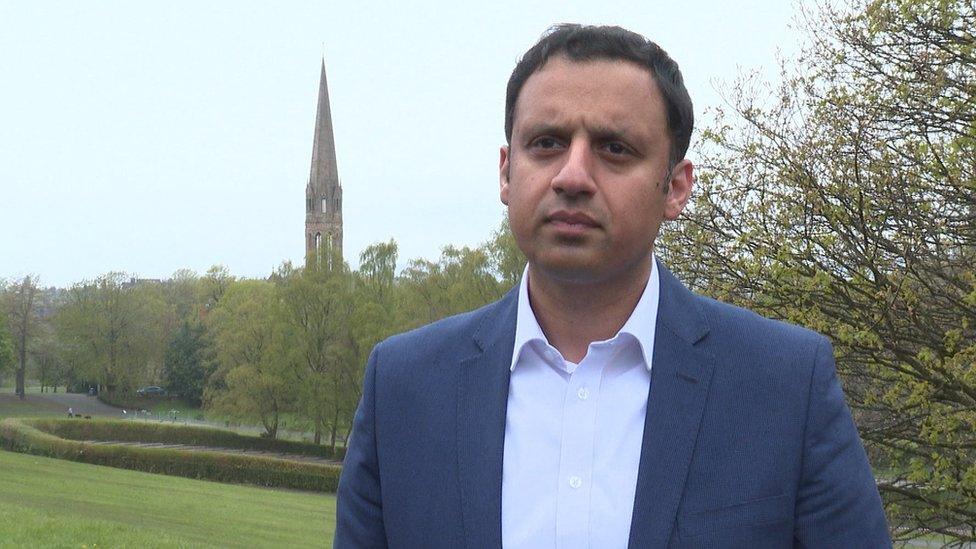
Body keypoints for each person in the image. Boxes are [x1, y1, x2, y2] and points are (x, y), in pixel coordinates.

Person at [335, 24, 890, 548]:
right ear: (506, 172)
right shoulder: (404, 389)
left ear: (675, 187)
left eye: (614, 149)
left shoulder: (786, 386)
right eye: (547, 143)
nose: (572, 176)